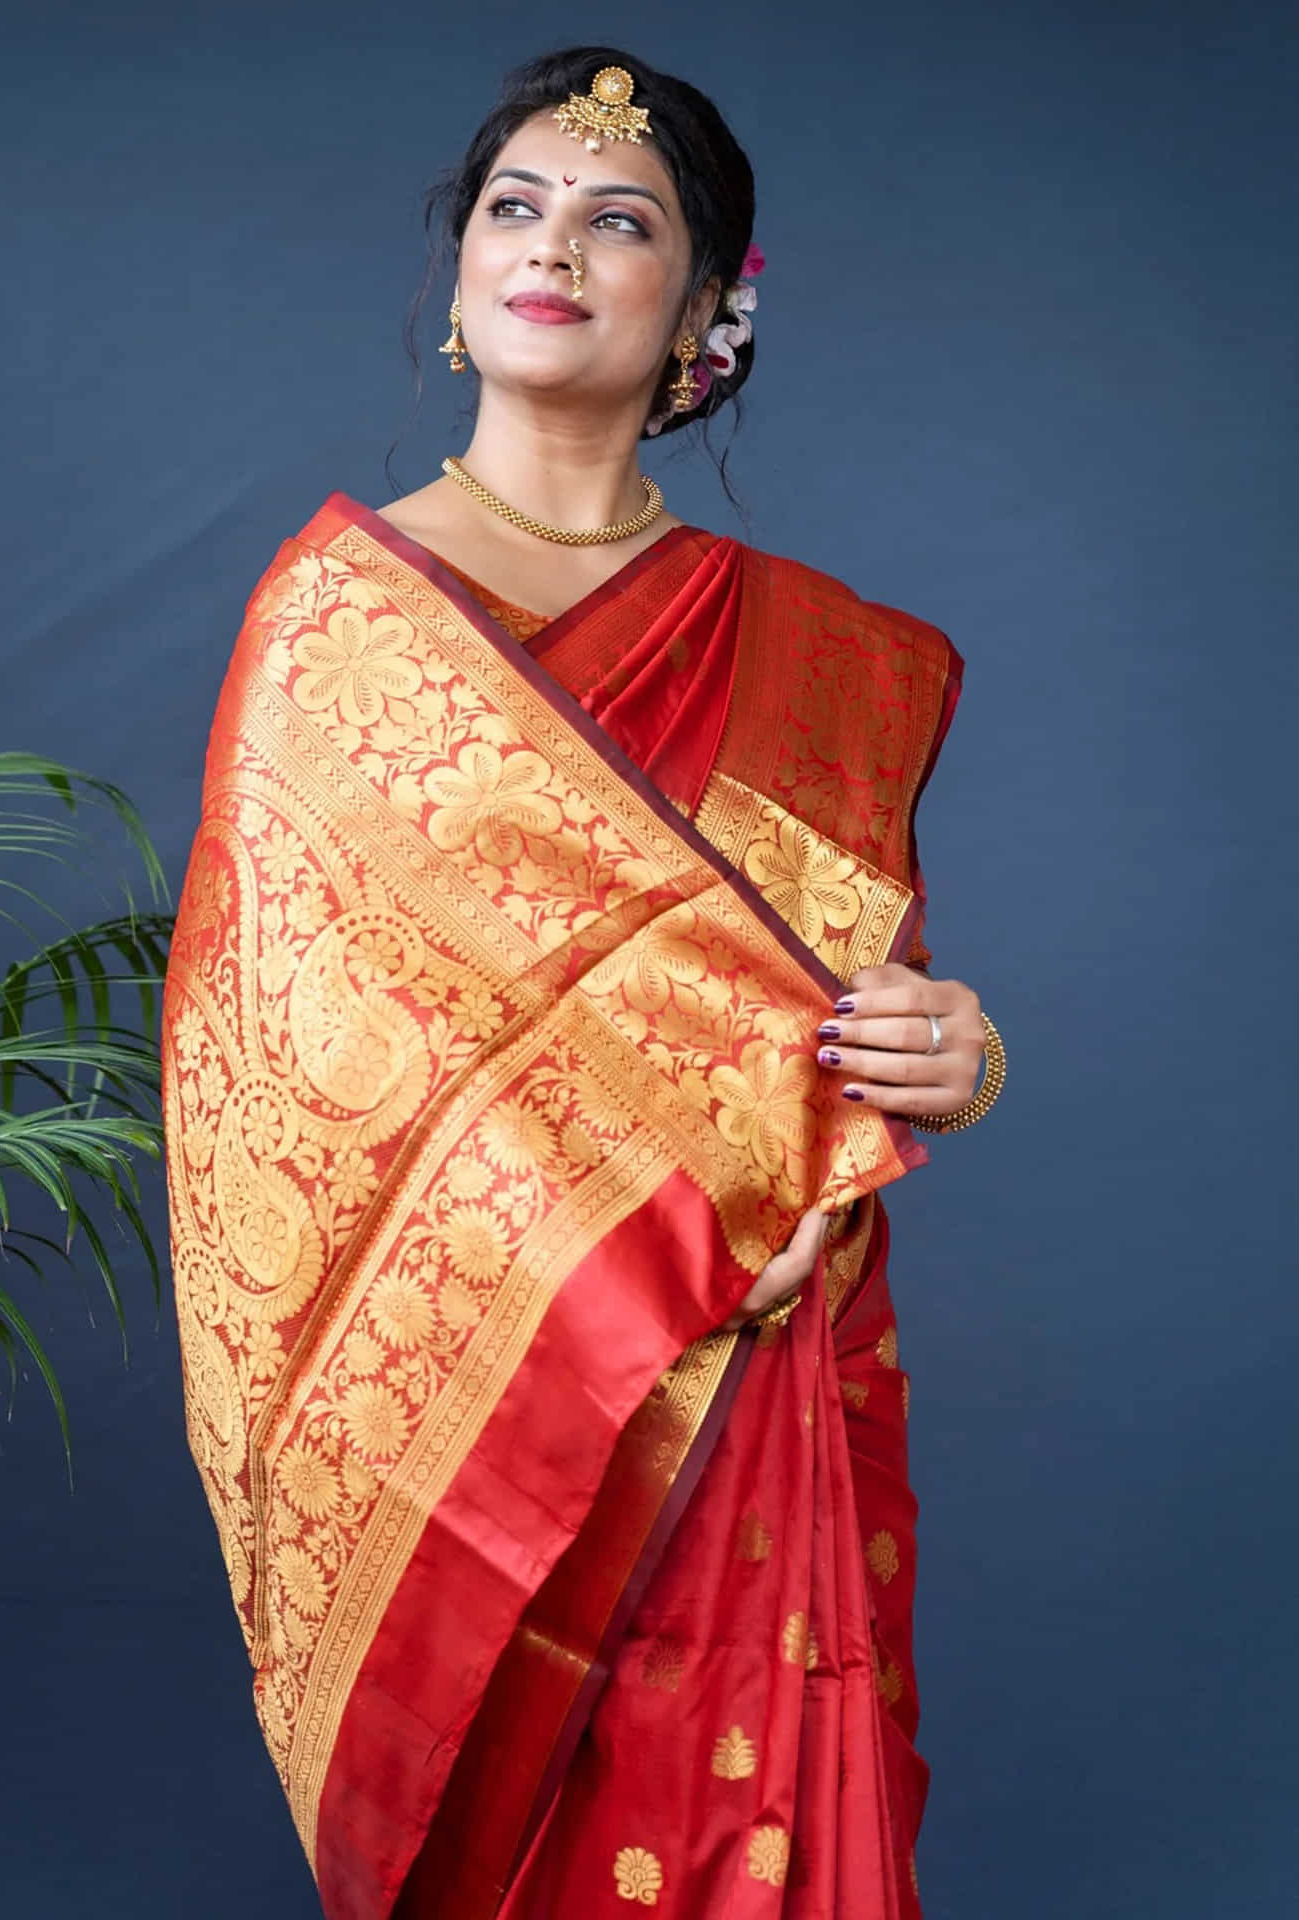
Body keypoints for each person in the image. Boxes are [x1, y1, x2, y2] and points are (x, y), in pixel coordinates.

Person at [161, 44, 1006, 1920]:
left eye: (620, 221)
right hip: (513, 1400)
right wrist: (663, 1230)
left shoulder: (824, 657)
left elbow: (851, 1011)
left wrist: (957, 1055)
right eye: (513, 209)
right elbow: (282, 1085)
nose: (553, 246)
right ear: (459, 276)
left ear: (705, 310)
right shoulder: (340, 623)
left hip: (753, 1382)